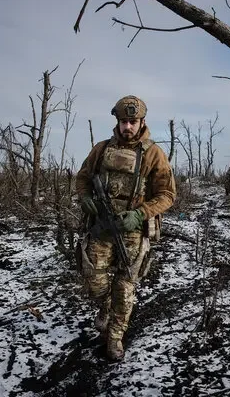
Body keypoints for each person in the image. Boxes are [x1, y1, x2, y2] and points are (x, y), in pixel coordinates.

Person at [75, 95, 176, 361]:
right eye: (123, 121)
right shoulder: (101, 149)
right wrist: (85, 199)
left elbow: (167, 194)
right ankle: (105, 307)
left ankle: (115, 337)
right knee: (94, 281)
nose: (128, 127)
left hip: (132, 231)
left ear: (142, 121)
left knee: (125, 286)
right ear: (117, 122)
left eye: (133, 121)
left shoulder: (154, 153)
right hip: (101, 228)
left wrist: (140, 214)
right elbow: (83, 178)